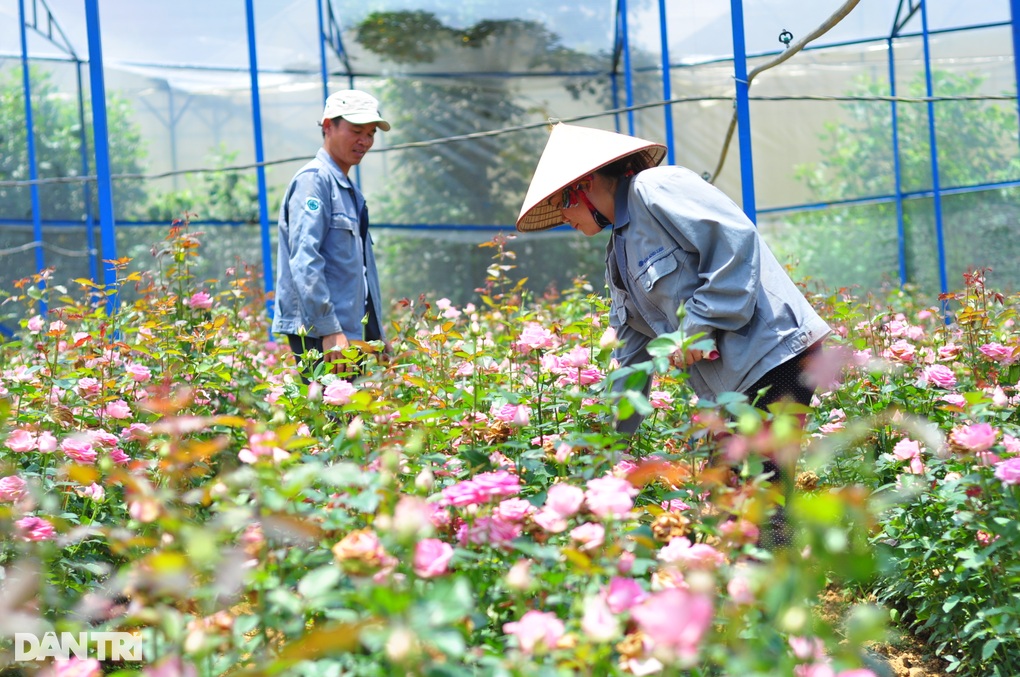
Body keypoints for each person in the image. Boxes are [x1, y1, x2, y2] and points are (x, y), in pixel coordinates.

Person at [516, 122, 832, 547]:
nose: (563, 220)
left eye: (561, 207)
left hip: (773, 353)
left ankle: (781, 601)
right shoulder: (620, 254)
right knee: (733, 496)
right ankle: (767, 595)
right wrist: (608, 442)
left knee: (755, 492)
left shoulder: (656, 186)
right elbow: (633, 350)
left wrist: (695, 328)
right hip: (734, 383)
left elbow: (734, 244)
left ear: (585, 186)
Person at [271, 90, 390, 381]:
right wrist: (329, 329)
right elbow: (305, 259)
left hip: (348, 330)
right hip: (324, 334)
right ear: (328, 126)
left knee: (353, 421)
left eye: (371, 133)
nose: (365, 141)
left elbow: (358, 273)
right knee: (332, 420)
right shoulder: (314, 182)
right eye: (356, 130)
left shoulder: (347, 190)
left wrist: (376, 335)